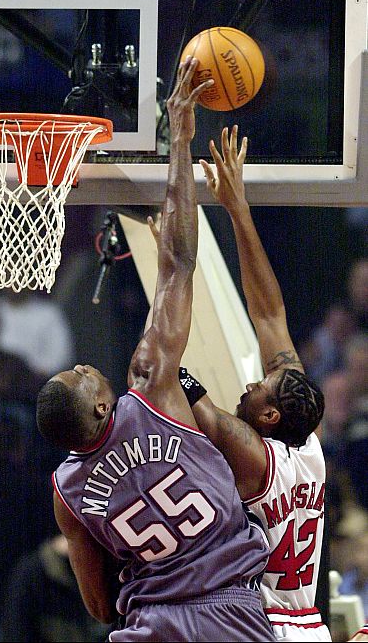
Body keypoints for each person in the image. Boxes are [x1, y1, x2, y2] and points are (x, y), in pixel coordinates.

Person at [36, 58, 275, 643]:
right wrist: (182, 138)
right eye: (80, 375)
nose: (85, 364)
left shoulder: (67, 493)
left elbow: (97, 606)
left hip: (151, 626)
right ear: (99, 409)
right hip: (228, 611)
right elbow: (178, 264)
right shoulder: (151, 384)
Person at [149, 126, 331, 642]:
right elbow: (270, 315)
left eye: (260, 388)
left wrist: (171, 274)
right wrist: (237, 208)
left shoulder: (254, 455)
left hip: (261, 628)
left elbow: (175, 379)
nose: (252, 383)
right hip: (306, 625)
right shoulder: (309, 447)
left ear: (270, 417)